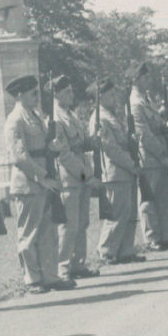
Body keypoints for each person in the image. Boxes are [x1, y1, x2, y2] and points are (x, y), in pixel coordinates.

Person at [4, 74, 72, 294]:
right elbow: (20, 157)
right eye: (33, 93)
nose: (37, 97)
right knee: (29, 234)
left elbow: (41, 148)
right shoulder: (15, 119)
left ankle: (50, 276)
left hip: (44, 183)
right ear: (20, 95)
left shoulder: (33, 116)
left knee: (47, 232)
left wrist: (52, 147)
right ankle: (32, 279)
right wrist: (43, 177)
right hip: (29, 184)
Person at [89, 78, 145, 265]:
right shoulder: (100, 118)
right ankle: (106, 250)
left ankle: (125, 250)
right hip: (114, 171)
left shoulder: (112, 115)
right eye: (111, 94)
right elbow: (111, 149)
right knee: (117, 214)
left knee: (129, 213)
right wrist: (132, 164)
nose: (114, 98)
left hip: (124, 171)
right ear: (101, 96)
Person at [129, 63, 168, 251]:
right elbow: (144, 135)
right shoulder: (135, 104)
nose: (149, 81)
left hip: (159, 157)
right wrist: (163, 157)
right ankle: (152, 238)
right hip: (150, 158)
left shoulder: (146, 100)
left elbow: (156, 127)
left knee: (164, 198)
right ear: (136, 80)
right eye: (145, 78)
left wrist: (165, 125)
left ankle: (166, 236)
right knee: (149, 200)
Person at [50, 75, 98, 279]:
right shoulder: (56, 119)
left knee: (82, 222)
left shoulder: (71, 115)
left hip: (81, 174)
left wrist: (92, 140)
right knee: (68, 226)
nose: (71, 95)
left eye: (71, 91)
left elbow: (81, 144)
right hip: (70, 177)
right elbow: (64, 155)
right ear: (56, 94)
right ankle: (63, 267)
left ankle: (78, 263)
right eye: (67, 91)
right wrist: (85, 175)